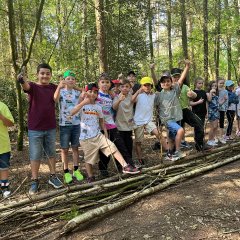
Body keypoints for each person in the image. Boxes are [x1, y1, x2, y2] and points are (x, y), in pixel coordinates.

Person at [70, 83, 140, 182]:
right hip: (86, 138)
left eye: (95, 92)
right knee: (89, 159)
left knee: (112, 146)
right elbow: (72, 112)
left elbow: (102, 122)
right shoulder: (81, 106)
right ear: (85, 93)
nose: (93, 94)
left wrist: (106, 136)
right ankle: (91, 176)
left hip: (98, 135)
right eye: (90, 91)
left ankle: (125, 166)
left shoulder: (98, 107)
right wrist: (83, 102)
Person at [18, 63, 63, 195]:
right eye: (42, 73)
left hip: (50, 127)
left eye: (47, 73)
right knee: (35, 154)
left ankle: (53, 176)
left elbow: (56, 99)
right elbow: (25, 86)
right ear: (37, 74)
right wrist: (22, 79)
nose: (45, 75)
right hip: (35, 128)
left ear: (50, 75)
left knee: (51, 153)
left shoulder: (53, 87)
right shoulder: (32, 86)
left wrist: (60, 86)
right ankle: (34, 180)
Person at [96, 73, 137, 177]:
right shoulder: (96, 94)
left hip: (112, 124)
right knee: (105, 148)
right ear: (99, 83)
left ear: (110, 84)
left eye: (107, 82)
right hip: (100, 126)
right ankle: (103, 169)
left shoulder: (111, 95)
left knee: (120, 145)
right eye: (103, 82)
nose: (105, 84)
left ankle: (129, 165)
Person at [154, 60, 190, 160]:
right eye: (163, 82)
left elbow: (181, 79)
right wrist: (152, 70)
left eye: (168, 81)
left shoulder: (175, 91)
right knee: (180, 130)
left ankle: (170, 153)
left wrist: (187, 66)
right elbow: (154, 82)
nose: (166, 83)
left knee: (171, 137)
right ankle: (178, 151)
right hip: (167, 119)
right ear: (160, 84)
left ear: (171, 82)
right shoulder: (159, 95)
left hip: (177, 117)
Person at [54, 70, 84, 184]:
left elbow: (84, 91)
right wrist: (59, 86)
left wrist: (76, 87)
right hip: (64, 125)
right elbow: (55, 99)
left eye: (72, 78)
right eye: (68, 78)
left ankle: (76, 170)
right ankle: (66, 172)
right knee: (65, 149)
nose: (71, 80)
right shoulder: (61, 92)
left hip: (76, 124)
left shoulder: (77, 93)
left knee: (75, 148)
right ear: (64, 80)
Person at [132, 77, 167, 165]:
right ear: (141, 86)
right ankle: (140, 159)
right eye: (145, 85)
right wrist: (138, 91)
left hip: (148, 121)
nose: (147, 87)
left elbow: (161, 96)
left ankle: (169, 152)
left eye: (149, 85)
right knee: (138, 142)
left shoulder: (153, 95)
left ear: (151, 86)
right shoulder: (139, 95)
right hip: (138, 121)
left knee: (159, 134)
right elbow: (132, 100)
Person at [113, 79, 134, 161]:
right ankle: (121, 164)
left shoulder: (131, 97)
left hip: (128, 126)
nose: (125, 88)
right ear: (119, 88)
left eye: (127, 86)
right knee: (121, 146)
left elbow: (136, 100)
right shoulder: (117, 97)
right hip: (119, 126)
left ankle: (130, 162)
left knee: (129, 145)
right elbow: (114, 107)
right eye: (122, 86)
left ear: (129, 88)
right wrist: (119, 100)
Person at [0, 101, 14, 198]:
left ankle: (4, 187)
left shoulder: (2, 106)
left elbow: (11, 123)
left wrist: (1, 116)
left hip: (3, 144)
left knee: (4, 167)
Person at [206, 81, 221, 146]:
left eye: (215, 86)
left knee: (216, 126)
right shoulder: (207, 93)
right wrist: (211, 92)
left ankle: (212, 140)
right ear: (210, 87)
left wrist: (224, 100)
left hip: (216, 111)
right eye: (213, 86)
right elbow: (209, 100)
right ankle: (209, 140)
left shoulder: (216, 94)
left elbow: (218, 103)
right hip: (211, 112)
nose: (214, 87)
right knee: (212, 127)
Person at [217, 78, 228, 143]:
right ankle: (215, 137)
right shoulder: (215, 90)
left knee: (221, 123)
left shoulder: (225, 91)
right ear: (217, 83)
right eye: (220, 83)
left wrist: (226, 108)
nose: (221, 84)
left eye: (223, 83)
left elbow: (227, 100)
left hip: (222, 109)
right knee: (215, 124)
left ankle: (220, 137)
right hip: (215, 109)